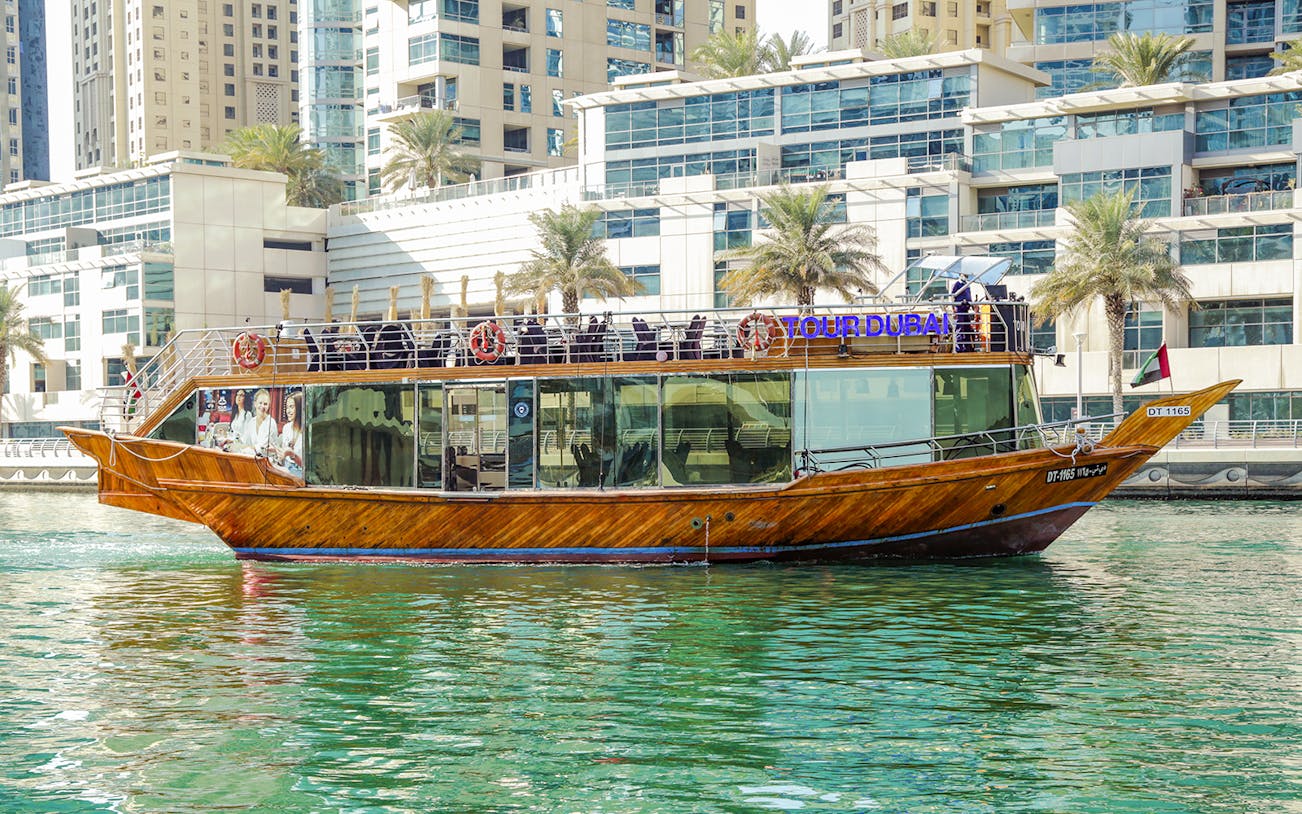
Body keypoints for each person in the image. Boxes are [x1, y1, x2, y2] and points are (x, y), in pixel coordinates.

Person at [274, 391, 305, 470]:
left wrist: (292, 455)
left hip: (301, 472)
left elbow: (307, 467)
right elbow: (284, 456)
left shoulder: (308, 430)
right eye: (287, 407)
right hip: (287, 468)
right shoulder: (286, 428)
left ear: (299, 408)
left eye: (291, 407)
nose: (288, 411)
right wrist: (276, 450)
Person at [243, 388, 279, 454]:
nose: (262, 406)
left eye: (265, 404)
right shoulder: (251, 422)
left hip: (268, 460)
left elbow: (262, 448)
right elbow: (245, 441)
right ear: (255, 404)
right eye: (260, 403)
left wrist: (246, 447)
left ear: (268, 406)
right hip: (254, 458)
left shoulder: (271, 422)